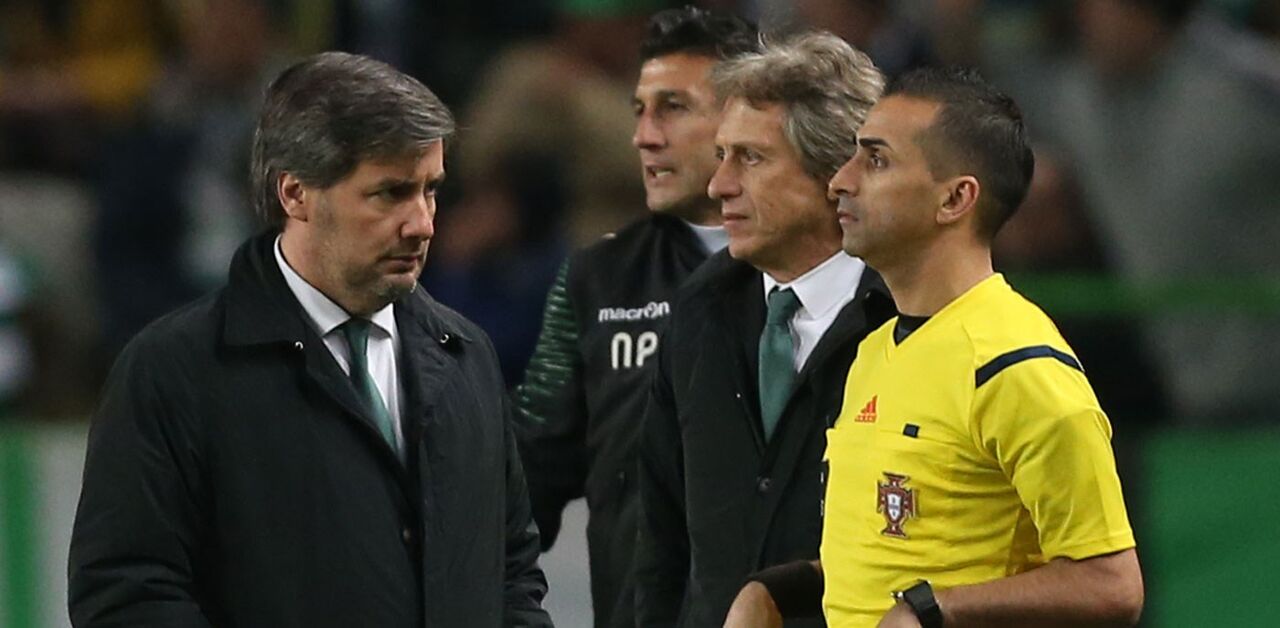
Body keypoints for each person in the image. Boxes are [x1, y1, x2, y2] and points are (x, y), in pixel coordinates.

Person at [68, 52, 553, 628]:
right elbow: (127, 596)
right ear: (294, 193)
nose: (423, 223)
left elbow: (512, 570)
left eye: (431, 190)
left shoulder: (467, 354)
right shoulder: (172, 371)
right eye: (391, 193)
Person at [724, 67, 1143, 628]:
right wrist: (777, 591)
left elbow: (1112, 584)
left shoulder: (1016, 364)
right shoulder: (876, 348)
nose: (840, 181)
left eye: (876, 160)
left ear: (955, 199)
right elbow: (897, 553)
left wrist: (933, 609)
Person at [634, 31, 892, 627]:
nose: (718, 185)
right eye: (721, 154)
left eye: (750, 158)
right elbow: (662, 543)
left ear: (836, 171)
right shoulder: (697, 311)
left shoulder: (910, 318)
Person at [513, 8, 758, 627]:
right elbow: (526, 475)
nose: (644, 136)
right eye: (639, 110)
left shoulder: (826, 275)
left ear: (744, 121)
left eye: (673, 108)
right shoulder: (598, 277)